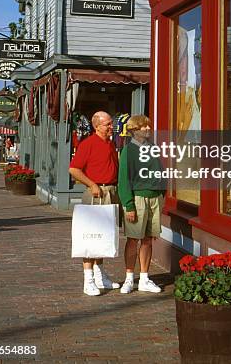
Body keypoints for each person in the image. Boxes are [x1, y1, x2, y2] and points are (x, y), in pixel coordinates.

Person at [69, 111, 120, 296]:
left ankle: (100, 276)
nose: (111, 126)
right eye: (107, 124)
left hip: (110, 192)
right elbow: (73, 169)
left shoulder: (110, 144)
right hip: (96, 194)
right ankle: (88, 279)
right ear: (96, 126)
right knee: (90, 237)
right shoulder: (88, 144)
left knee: (103, 237)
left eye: (110, 123)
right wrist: (92, 184)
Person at [118, 115, 166, 295]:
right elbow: (123, 180)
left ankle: (145, 277)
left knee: (147, 240)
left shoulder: (153, 148)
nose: (147, 129)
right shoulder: (128, 151)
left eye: (148, 126)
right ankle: (129, 278)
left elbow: (160, 171)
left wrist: (162, 193)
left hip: (154, 199)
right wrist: (129, 205)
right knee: (133, 240)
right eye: (143, 126)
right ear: (134, 130)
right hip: (137, 200)